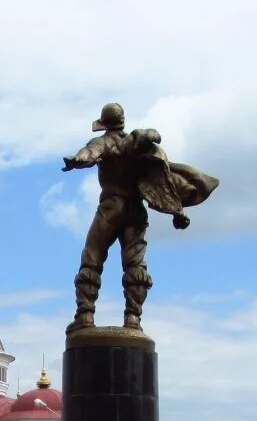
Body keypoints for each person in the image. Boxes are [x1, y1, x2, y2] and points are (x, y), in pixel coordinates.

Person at [63, 102, 218, 331]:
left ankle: (85, 314)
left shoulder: (103, 142)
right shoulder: (138, 147)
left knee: (92, 257)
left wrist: (77, 160)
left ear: (104, 124)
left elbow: (90, 154)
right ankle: (133, 317)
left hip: (110, 208)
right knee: (135, 264)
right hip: (136, 212)